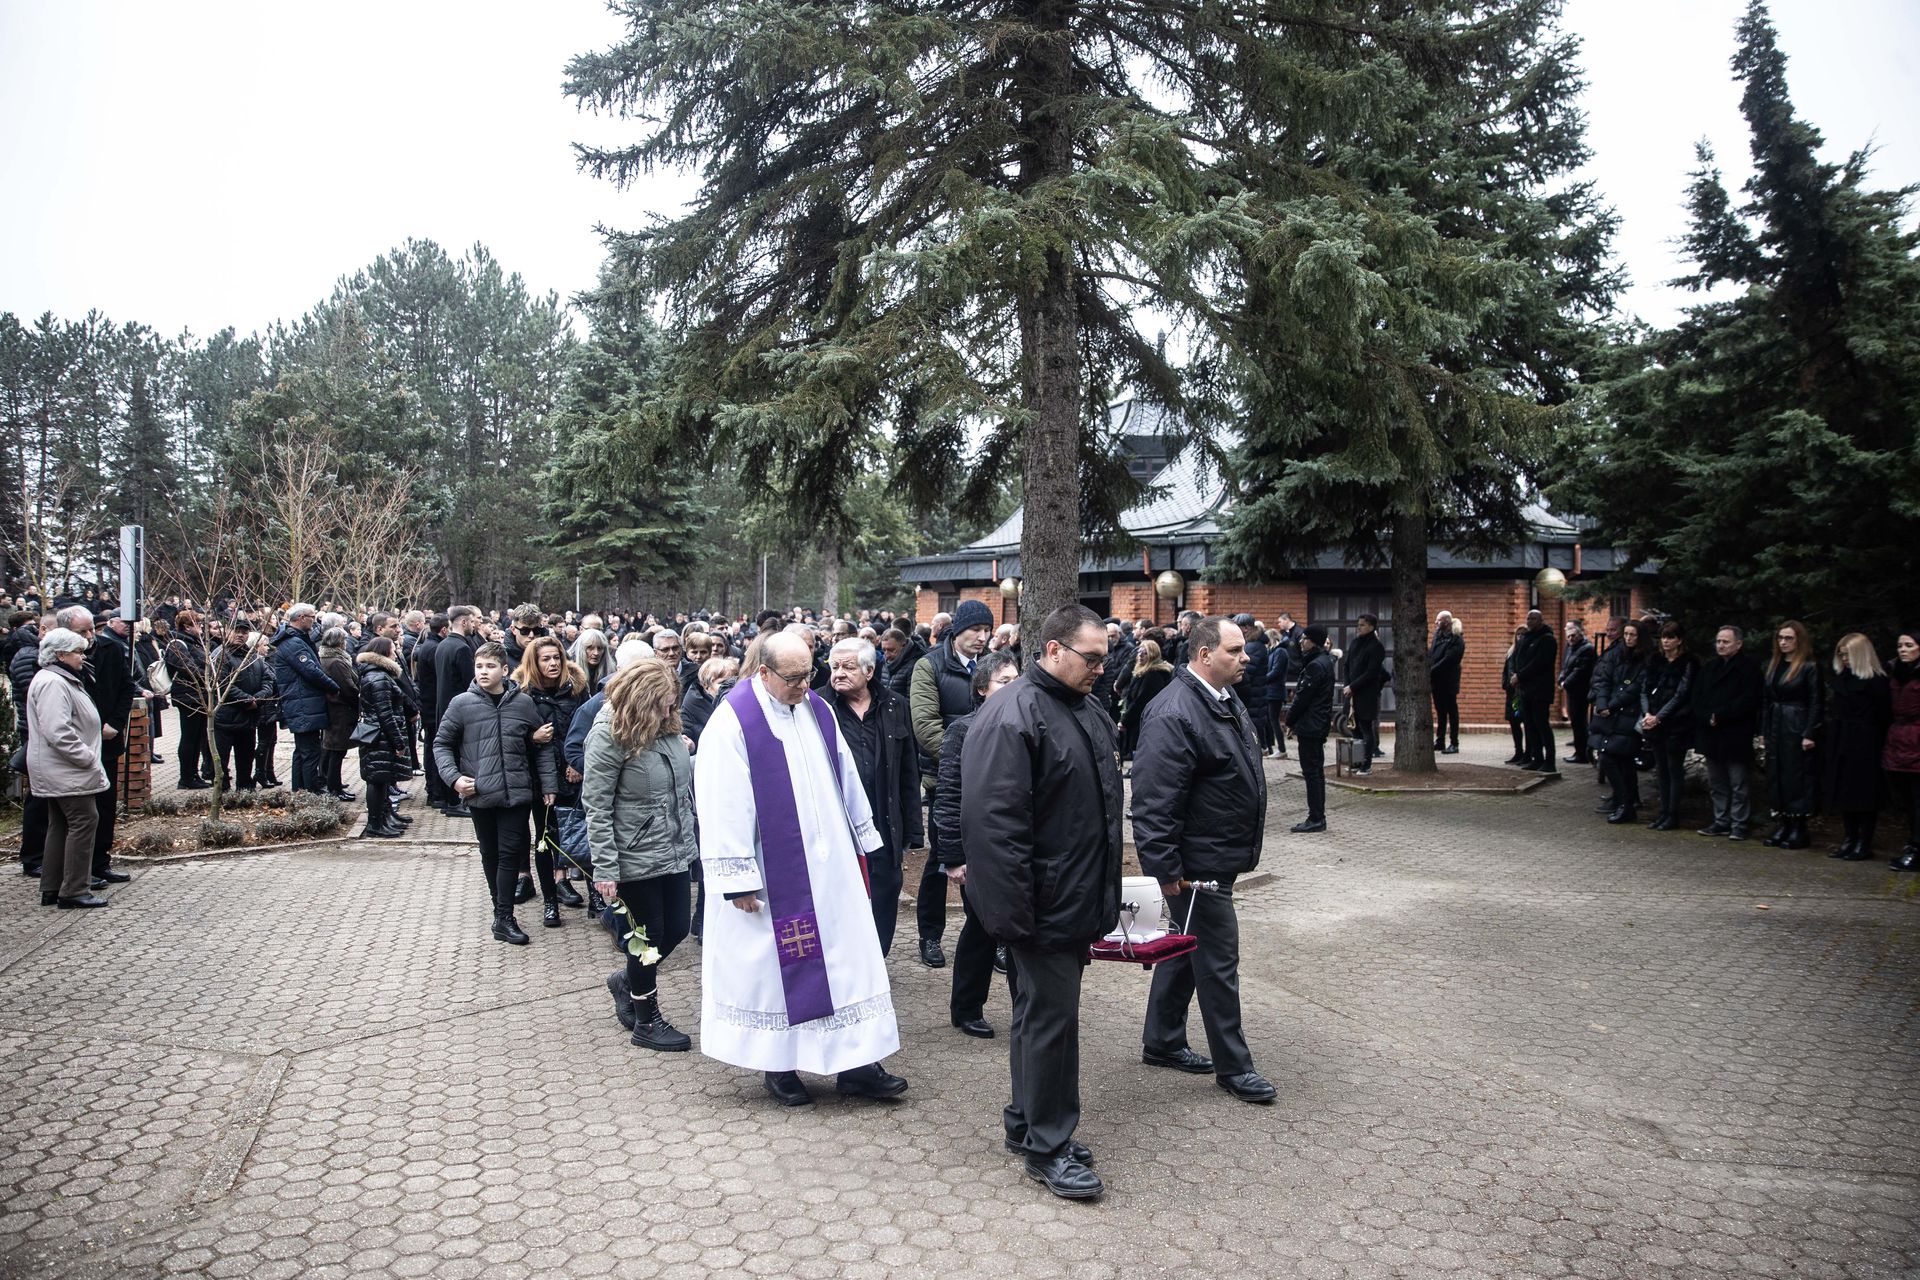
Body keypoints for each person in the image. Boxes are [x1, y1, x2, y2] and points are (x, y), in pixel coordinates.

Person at [693, 632, 907, 1107]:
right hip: (773, 876)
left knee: (848, 964)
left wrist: (865, 841)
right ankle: (780, 1065)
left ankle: (856, 1063)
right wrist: (736, 878)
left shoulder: (818, 708)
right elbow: (720, 804)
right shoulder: (732, 724)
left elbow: (846, 774)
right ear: (763, 672)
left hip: (832, 873)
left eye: (809, 674)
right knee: (776, 973)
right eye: (792, 678)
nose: (804, 685)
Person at [962, 605, 1121, 1199]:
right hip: (1043, 905)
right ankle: (1048, 1147)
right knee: (1051, 1023)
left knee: (1040, 1018)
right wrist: (1011, 917)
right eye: (1093, 657)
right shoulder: (1014, 714)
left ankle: (1029, 1124)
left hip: (1070, 897)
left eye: (1106, 656)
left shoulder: (1081, 707)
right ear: (1053, 649)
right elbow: (995, 828)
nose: (1103, 668)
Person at [1132, 616, 1277, 1105]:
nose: (1245, 657)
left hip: (1216, 855)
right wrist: (1166, 869)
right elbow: (1154, 800)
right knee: (1218, 960)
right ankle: (1235, 1068)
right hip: (1196, 867)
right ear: (1203, 655)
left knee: (1189, 948)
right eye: (1235, 651)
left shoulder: (1221, 697)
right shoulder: (1173, 711)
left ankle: (1163, 1040)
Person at [586, 659, 700, 1051]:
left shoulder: (666, 726)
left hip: (674, 848)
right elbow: (596, 806)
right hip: (632, 855)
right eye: (663, 705)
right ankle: (646, 1021)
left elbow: (678, 784)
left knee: (678, 930)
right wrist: (604, 867)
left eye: (673, 704)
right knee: (646, 940)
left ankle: (627, 980)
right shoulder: (608, 733)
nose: (670, 712)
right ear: (641, 700)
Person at [433, 642, 559, 944]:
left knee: (508, 854)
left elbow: (542, 745)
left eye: (490, 666)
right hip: (480, 794)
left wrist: (549, 785)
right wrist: (454, 779)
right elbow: (441, 745)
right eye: (479, 667)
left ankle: (505, 918)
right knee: (489, 853)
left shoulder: (522, 703)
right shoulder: (462, 704)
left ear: (505, 670)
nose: (483, 672)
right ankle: (499, 912)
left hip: (516, 794)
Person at [933, 650, 1022, 1039]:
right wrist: (953, 857)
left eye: (1017, 679)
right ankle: (967, 1006)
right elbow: (949, 796)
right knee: (982, 928)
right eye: (1005, 680)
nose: (1013, 687)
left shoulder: (1026, 723)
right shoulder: (962, 731)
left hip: (1017, 848)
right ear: (982, 688)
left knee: (1023, 930)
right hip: (977, 851)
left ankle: (1028, 1006)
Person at [822, 636, 923, 957]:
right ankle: (842, 963)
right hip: (836, 826)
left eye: (848, 667)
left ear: (869, 671)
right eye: (834, 666)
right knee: (839, 897)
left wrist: (913, 832)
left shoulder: (895, 706)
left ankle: (875, 961)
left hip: (884, 823)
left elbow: (909, 772)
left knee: (884, 893)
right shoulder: (817, 707)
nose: (838, 673)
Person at [909, 598, 996, 969]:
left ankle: (997, 937)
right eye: (975, 630)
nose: (981, 637)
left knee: (994, 859)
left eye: (986, 630)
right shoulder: (929, 666)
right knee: (940, 860)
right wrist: (965, 762)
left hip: (993, 779)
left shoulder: (993, 666)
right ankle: (930, 934)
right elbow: (927, 726)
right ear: (956, 630)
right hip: (944, 777)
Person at [26, 628, 111, 909]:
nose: (82, 657)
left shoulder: (58, 679)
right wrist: (87, 757)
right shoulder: (53, 682)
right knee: (84, 821)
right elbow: (58, 730)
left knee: (61, 824)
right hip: (67, 769)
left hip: (62, 769)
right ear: (60, 654)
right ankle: (74, 889)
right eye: (77, 651)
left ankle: (53, 887)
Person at [513, 637, 593, 923]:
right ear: (534, 663)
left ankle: (589, 891)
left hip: (573, 773)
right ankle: (550, 901)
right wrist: (531, 738)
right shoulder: (522, 692)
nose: (553, 663)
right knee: (545, 838)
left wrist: (577, 762)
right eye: (546, 658)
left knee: (580, 832)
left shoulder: (577, 688)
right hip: (540, 778)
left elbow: (590, 729)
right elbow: (510, 734)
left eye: (556, 657)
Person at [1822, 633, 1891, 861]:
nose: (1843, 659)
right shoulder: (1842, 678)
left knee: (1864, 794)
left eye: (1847, 654)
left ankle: (1864, 841)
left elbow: (1883, 716)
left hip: (1866, 743)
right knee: (1844, 791)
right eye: (1841, 654)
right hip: (1842, 739)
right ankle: (1849, 838)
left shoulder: (1876, 682)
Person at [1693, 626, 1764, 840]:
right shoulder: (1710, 668)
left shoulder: (1749, 668)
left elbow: (1749, 700)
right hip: (1712, 732)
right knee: (1717, 782)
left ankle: (1739, 823)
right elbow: (1697, 696)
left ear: (1739, 644)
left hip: (1735, 731)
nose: (1721, 645)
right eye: (1718, 641)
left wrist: (1722, 714)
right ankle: (1721, 820)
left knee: (1738, 781)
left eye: (1726, 642)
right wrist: (1707, 715)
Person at [1761, 620, 1823, 850]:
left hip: (1796, 723)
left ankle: (1799, 825)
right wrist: (1764, 731)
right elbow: (1767, 700)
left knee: (1796, 774)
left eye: (1789, 638)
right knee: (1777, 773)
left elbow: (1816, 701)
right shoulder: (1774, 665)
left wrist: (1809, 732)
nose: (1784, 643)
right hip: (1777, 723)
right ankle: (1783, 822)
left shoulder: (1808, 667)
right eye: (1781, 638)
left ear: (1799, 641)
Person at [272, 604, 340, 795]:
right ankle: (310, 791)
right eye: (312, 617)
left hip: (304, 702)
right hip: (302, 703)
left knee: (303, 751)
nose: (315, 621)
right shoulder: (293, 643)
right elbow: (311, 671)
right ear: (301, 618)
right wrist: (334, 687)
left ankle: (300, 790)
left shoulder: (298, 639)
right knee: (309, 752)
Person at [1639, 621, 1699, 830]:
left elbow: (1681, 694)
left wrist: (1659, 717)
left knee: (1674, 769)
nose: (1666, 641)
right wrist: (1647, 713)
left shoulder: (1688, 663)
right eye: (1664, 637)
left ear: (1679, 640)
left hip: (1676, 724)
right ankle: (1663, 812)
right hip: (1654, 721)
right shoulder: (1656, 661)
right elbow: (1645, 688)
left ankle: (1672, 813)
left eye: (1671, 637)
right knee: (1661, 769)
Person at [352, 638, 413, 838]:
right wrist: (398, 741)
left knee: (383, 780)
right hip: (379, 736)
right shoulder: (378, 678)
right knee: (377, 782)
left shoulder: (379, 675)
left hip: (381, 735)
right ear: (384, 653)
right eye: (393, 650)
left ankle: (386, 817)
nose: (395, 654)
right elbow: (384, 713)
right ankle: (376, 824)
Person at [1594, 620, 1652, 825]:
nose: (1628, 638)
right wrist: (1602, 703)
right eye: (1626, 634)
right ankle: (1624, 802)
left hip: (1629, 714)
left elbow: (1637, 687)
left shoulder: (1646, 659)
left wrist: (1613, 704)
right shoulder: (1617, 655)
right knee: (1613, 757)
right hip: (1612, 713)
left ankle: (1625, 802)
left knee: (1616, 757)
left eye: (1632, 635)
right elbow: (1604, 680)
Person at [1283, 625, 1334, 832]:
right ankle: (1316, 816)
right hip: (1316, 723)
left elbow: (1303, 698)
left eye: (1305, 639)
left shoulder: (1315, 665)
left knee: (1312, 773)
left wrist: (1290, 721)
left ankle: (1316, 818)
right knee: (1315, 772)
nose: (1301, 642)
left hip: (1311, 725)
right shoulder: (1323, 662)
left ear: (1313, 641)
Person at [433, 606, 483, 816]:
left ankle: (447, 799)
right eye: (472, 621)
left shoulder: (443, 645)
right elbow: (468, 683)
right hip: (458, 708)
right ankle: (452, 801)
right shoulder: (462, 648)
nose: (474, 626)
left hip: (443, 705)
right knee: (454, 753)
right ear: (463, 622)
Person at [164, 609, 214, 789]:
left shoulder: (193, 642)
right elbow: (188, 668)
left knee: (197, 737)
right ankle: (186, 777)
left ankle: (193, 774)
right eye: (198, 623)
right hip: (187, 696)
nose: (201, 627)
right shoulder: (178, 644)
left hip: (197, 695)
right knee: (189, 737)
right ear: (187, 626)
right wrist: (209, 678)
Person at [213, 629, 267, 790]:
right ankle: (222, 789)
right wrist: (247, 700)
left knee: (246, 755)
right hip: (226, 717)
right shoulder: (221, 656)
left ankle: (245, 787)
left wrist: (259, 698)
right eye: (237, 631)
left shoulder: (253, 657)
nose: (240, 635)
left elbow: (267, 680)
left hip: (248, 716)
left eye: (244, 632)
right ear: (228, 633)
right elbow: (223, 685)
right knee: (222, 756)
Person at [1885, 630, 1920, 871]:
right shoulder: (1896, 674)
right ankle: (1913, 843)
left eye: (1909, 645)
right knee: (1907, 799)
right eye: (1900, 645)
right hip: (1899, 741)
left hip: (1916, 738)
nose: (1903, 649)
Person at [1510, 609, 1558, 774]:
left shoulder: (1547, 639)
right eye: (1528, 618)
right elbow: (1518, 658)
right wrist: (1516, 675)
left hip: (1540, 690)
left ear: (1541, 620)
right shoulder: (1526, 638)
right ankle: (1536, 758)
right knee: (1529, 725)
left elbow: (1539, 664)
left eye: (1534, 618)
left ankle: (1549, 760)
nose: (1530, 621)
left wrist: (1520, 675)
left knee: (1542, 725)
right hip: (1526, 689)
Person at [1341, 614, 1388, 772]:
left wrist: (1353, 686)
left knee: (1366, 729)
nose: (1358, 627)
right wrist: (1348, 685)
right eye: (1358, 624)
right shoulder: (1355, 643)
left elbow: (1371, 672)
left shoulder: (1376, 647)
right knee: (1355, 730)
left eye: (1362, 625)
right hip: (1352, 694)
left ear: (1371, 627)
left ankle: (1366, 765)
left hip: (1366, 694)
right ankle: (1357, 762)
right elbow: (1347, 665)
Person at [316, 628, 359, 801]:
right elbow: (347, 687)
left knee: (333, 750)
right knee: (337, 751)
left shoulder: (328, 658)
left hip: (336, 709)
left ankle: (334, 783)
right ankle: (334, 788)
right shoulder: (336, 662)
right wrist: (359, 699)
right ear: (339, 642)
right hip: (340, 710)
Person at [1120, 639, 1174, 763]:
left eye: (1144, 653)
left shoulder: (1153, 674)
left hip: (1146, 722)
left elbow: (1141, 701)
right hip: (1139, 721)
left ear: (1152, 655)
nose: (1140, 655)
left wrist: (1125, 720)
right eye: (1139, 652)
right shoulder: (1142, 671)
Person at [1559, 621, 1596, 765]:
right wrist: (1561, 679)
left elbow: (1579, 670)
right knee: (1575, 721)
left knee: (1579, 722)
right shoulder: (1570, 647)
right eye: (1568, 636)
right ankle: (1579, 751)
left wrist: (1565, 682)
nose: (1570, 639)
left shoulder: (1586, 649)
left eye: (1573, 636)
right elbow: (1565, 666)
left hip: (1581, 690)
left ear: (1580, 634)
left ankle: (1582, 754)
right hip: (1572, 690)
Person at [250, 632, 284, 788]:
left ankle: (268, 772)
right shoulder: (256, 663)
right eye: (264, 645)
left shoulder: (264, 662)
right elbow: (271, 682)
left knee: (271, 741)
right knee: (264, 742)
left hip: (270, 706)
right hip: (264, 706)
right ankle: (261, 773)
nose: (267, 648)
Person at [1428, 612, 1464, 754]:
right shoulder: (1437, 636)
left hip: (1449, 680)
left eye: (1439, 620)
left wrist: (1431, 670)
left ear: (1447, 621)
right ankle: (1440, 741)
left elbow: (1450, 659)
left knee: (1451, 711)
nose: (1436, 623)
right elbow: (1432, 654)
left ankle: (1454, 743)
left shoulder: (1456, 638)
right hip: (1436, 680)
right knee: (1440, 711)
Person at [1500, 625, 1528, 764]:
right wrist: (1506, 684)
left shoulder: (1528, 651)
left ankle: (1529, 752)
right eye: (1518, 634)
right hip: (1513, 694)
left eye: (1523, 634)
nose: (1520, 637)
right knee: (1514, 722)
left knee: (1527, 723)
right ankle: (1518, 751)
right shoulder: (1511, 652)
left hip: (1523, 693)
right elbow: (1505, 671)